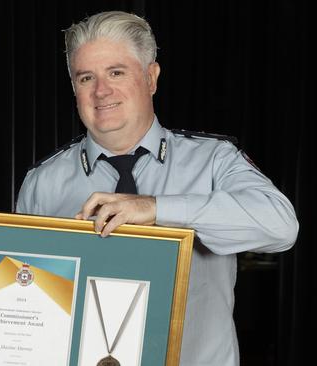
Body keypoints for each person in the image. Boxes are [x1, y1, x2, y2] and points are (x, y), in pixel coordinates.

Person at [16, 11, 298, 366]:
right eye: (86, 78)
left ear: (151, 77)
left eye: (116, 72)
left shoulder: (213, 161)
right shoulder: (42, 184)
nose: (102, 91)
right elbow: (29, 301)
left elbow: (282, 226)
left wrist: (157, 208)